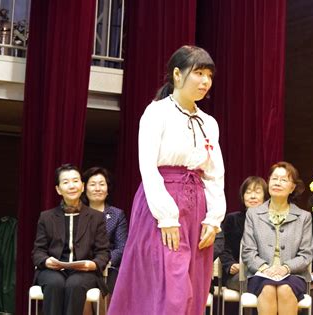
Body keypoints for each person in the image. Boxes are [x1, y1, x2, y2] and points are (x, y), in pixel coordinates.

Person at [108, 45, 226, 315]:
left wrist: (213, 218)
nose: (205, 81)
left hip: (198, 207)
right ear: (177, 74)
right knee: (171, 290)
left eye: (209, 75)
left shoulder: (209, 122)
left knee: (193, 287)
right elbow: (148, 168)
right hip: (162, 205)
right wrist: (168, 217)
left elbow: (215, 173)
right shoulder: (156, 112)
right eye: (198, 73)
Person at [31, 164, 110, 315]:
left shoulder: (96, 217)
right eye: (66, 182)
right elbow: (38, 251)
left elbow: (103, 251)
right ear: (58, 189)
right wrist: (46, 261)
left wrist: (93, 264)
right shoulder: (46, 217)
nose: (71, 186)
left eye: (75, 181)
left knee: (75, 284)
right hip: (52, 270)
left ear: (82, 186)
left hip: (84, 273)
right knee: (55, 283)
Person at [242, 161, 313, 315]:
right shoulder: (253, 214)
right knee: (267, 289)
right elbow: (248, 251)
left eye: (283, 180)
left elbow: (306, 254)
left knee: (285, 289)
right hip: (261, 273)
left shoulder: (304, 217)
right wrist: (266, 269)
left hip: (293, 274)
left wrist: (284, 268)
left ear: (292, 187)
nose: (277, 183)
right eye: (274, 179)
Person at [82, 167, 128, 294]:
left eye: (102, 184)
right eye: (93, 184)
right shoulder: (78, 213)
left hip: (108, 267)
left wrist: (102, 263)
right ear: (84, 189)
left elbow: (121, 247)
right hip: (81, 266)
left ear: (108, 190)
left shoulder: (117, 214)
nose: (97, 188)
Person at [219, 176, 268, 291]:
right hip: (237, 274)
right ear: (243, 196)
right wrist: (230, 264)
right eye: (248, 192)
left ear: (265, 196)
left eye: (257, 192)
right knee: (261, 285)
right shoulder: (232, 219)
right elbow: (223, 247)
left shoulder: (271, 221)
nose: (252, 196)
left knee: (268, 284)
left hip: (264, 274)